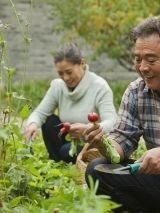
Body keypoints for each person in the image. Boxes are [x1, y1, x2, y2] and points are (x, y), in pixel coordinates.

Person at [82, 16, 160, 213]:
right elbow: (123, 140)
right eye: (138, 59)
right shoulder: (136, 91)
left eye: (151, 60)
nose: (143, 67)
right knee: (96, 170)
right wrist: (103, 143)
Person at [24, 42, 117, 163]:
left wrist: (87, 129)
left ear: (82, 63)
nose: (65, 78)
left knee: (66, 150)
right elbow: (40, 113)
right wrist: (32, 124)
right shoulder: (57, 86)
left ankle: (71, 160)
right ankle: (58, 163)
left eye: (69, 72)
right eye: (60, 73)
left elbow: (112, 123)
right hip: (67, 140)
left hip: (89, 143)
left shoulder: (100, 87)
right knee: (49, 120)